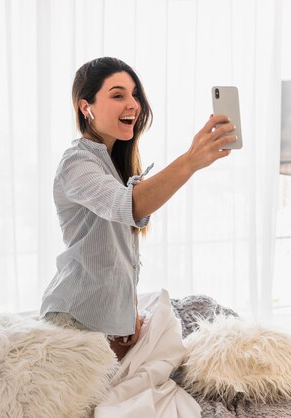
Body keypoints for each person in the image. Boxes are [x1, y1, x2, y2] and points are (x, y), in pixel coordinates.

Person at [40, 57, 236, 361]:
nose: (133, 104)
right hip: (72, 321)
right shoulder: (77, 162)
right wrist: (192, 159)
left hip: (105, 323)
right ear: (85, 107)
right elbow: (129, 205)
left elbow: (118, 256)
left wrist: (127, 310)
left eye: (135, 95)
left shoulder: (113, 164)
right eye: (118, 95)